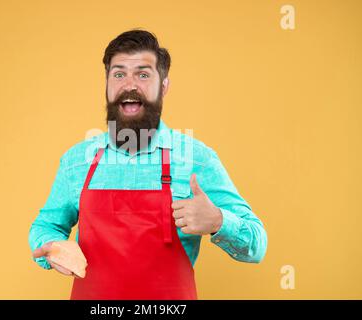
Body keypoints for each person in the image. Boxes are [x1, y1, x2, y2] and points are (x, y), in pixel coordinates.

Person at [29, 29, 267, 300]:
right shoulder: (76, 161)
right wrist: (53, 246)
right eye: (119, 74)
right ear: (106, 83)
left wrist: (218, 221)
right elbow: (45, 226)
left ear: (164, 86)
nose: (130, 85)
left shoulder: (195, 159)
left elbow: (257, 245)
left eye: (143, 74)